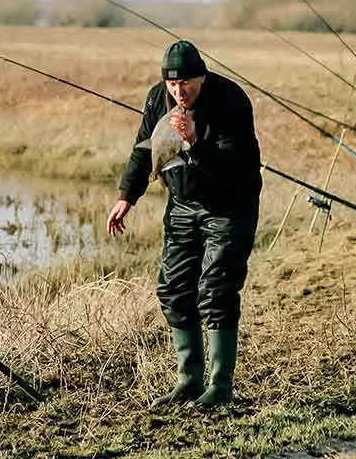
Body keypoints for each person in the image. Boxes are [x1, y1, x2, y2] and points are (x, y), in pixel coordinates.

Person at [107, 40, 262, 409]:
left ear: (202, 77)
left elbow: (233, 168)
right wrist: (127, 196)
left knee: (216, 290)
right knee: (174, 289)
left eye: (187, 83)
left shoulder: (231, 101)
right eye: (172, 85)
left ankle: (220, 386)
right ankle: (188, 380)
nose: (179, 91)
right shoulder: (156, 100)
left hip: (229, 206)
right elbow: (143, 150)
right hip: (182, 204)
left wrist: (194, 140)